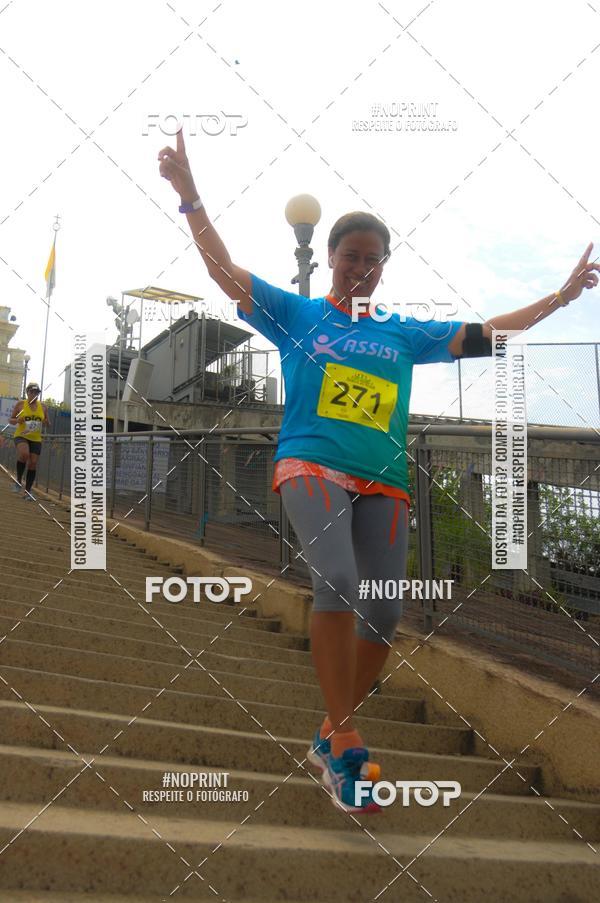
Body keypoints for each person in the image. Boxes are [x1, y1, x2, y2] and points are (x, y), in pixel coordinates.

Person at [158, 131, 599, 814]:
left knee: (386, 608)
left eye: (372, 260)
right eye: (350, 257)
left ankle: (330, 733)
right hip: (310, 463)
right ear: (330, 259)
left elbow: (484, 333)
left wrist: (559, 299)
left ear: (384, 267)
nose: (360, 268)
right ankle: (347, 736)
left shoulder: (400, 331)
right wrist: (191, 199)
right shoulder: (299, 314)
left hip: (384, 479)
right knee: (335, 578)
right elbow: (225, 271)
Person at [10, 382, 49, 500]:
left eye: (36, 392)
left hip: (36, 438)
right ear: (27, 392)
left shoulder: (43, 407)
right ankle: (18, 481)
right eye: (31, 392)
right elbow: (11, 420)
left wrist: (45, 423)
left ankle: (28, 491)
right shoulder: (20, 404)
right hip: (22, 435)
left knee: (33, 463)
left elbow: (47, 422)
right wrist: (17, 420)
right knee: (24, 454)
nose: (34, 394)